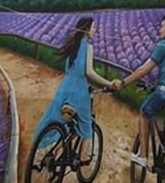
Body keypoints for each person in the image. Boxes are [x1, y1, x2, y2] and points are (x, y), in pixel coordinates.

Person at [33, 17, 116, 162]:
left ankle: (56, 150)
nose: (95, 30)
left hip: (65, 87)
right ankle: (82, 157)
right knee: (86, 124)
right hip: (79, 91)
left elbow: (72, 70)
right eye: (93, 27)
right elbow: (89, 72)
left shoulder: (72, 45)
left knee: (65, 122)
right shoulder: (88, 47)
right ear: (86, 29)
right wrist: (109, 84)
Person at [116, 14, 165, 169]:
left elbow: (144, 69)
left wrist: (124, 82)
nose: (159, 30)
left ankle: (143, 156)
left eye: (161, 26)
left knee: (144, 113)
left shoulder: (163, 45)